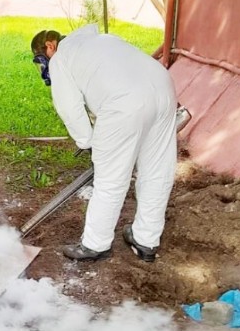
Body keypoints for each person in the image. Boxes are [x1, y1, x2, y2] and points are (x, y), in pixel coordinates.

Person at [30, 25, 178, 263]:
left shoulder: (60, 58)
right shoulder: (104, 40)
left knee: (110, 179)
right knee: (157, 170)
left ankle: (95, 244)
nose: (45, 65)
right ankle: (145, 240)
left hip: (125, 102)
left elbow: (70, 109)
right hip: (164, 87)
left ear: (50, 46)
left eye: (42, 59)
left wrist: (87, 142)